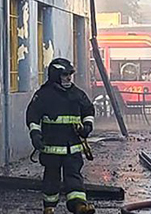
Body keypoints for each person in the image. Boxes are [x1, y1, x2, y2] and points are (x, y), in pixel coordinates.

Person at [26, 58, 96, 214]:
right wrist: (35, 135)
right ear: (55, 74)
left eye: (70, 74)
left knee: (74, 177)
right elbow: (33, 116)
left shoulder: (77, 94)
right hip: (51, 148)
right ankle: (49, 208)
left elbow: (88, 111)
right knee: (51, 179)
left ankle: (79, 206)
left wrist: (87, 127)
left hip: (73, 148)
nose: (69, 78)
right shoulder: (43, 95)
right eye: (65, 75)